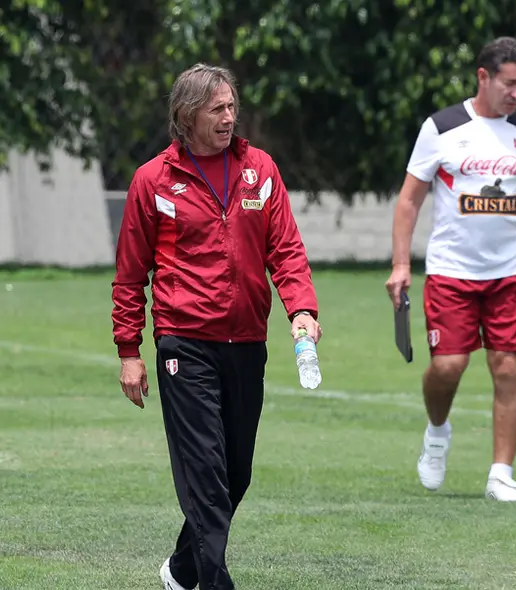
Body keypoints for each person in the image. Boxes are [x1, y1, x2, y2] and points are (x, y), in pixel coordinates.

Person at [111, 63, 321, 590]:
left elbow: (287, 250)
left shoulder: (261, 170)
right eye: (218, 109)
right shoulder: (152, 180)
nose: (230, 117)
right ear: (187, 115)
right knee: (206, 471)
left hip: (248, 341)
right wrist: (128, 350)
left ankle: (180, 570)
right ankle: (214, 581)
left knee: (235, 473)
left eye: (232, 107)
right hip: (185, 342)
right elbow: (130, 275)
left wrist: (302, 309)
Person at [384, 37, 516, 503]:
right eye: (509, 83)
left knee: (508, 369)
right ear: (483, 77)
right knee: (448, 366)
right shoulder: (442, 127)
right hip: (451, 271)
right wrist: (401, 264)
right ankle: (438, 431)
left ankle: (501, 474)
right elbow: (408, 200)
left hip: (511, 273)